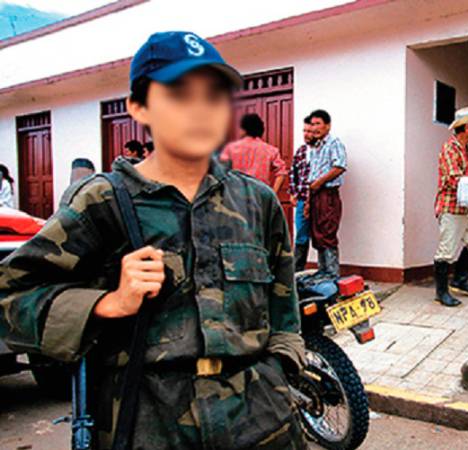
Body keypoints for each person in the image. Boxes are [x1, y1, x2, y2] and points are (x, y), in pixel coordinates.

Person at [0, 31, 306, 449]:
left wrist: (279, 375)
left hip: (261, 422)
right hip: (149, 423)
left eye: (213, 95)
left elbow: (284, 310)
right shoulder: (103, 202)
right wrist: (108, 302)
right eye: (179, 94)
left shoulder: (256, 200)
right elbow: (10, 295)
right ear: (139, 107)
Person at [433, 106, 468, 307]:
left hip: (466, 207)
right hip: (451, 207)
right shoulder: (450, 148)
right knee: (446, 251)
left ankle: (459, 280)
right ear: (466, 128)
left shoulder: (464, 149)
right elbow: (453, 179)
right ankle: (441, 293)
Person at [306, 109, 347, 277]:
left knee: (327, 233)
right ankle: (323, 274)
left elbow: (340, 166)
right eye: (312, 124)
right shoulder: (316, 146)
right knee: (317, 235)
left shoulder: (334, 143)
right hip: (315, 194)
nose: (314, 128)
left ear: (328, 126)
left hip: (327, 194)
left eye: (318, 124)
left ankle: (332, 275)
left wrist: (319, 182)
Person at [220, 113, 287, 192]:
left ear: (243, 130)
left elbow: (219, 171)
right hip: (260, 194)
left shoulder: (231, 148)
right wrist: (273, 193)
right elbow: (282, 172)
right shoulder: (270, 150)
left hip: (235, 194)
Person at [289, 116, 315, 272]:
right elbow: (293, 172)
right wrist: (293, 193)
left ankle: (326, 271)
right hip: (301, 200)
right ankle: (297, 270)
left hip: (318, 200)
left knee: (321, 236)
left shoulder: (322, 151)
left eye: (310, 131)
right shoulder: (301, 151)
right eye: (304, 131)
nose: (306, 134)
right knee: (301, 236)